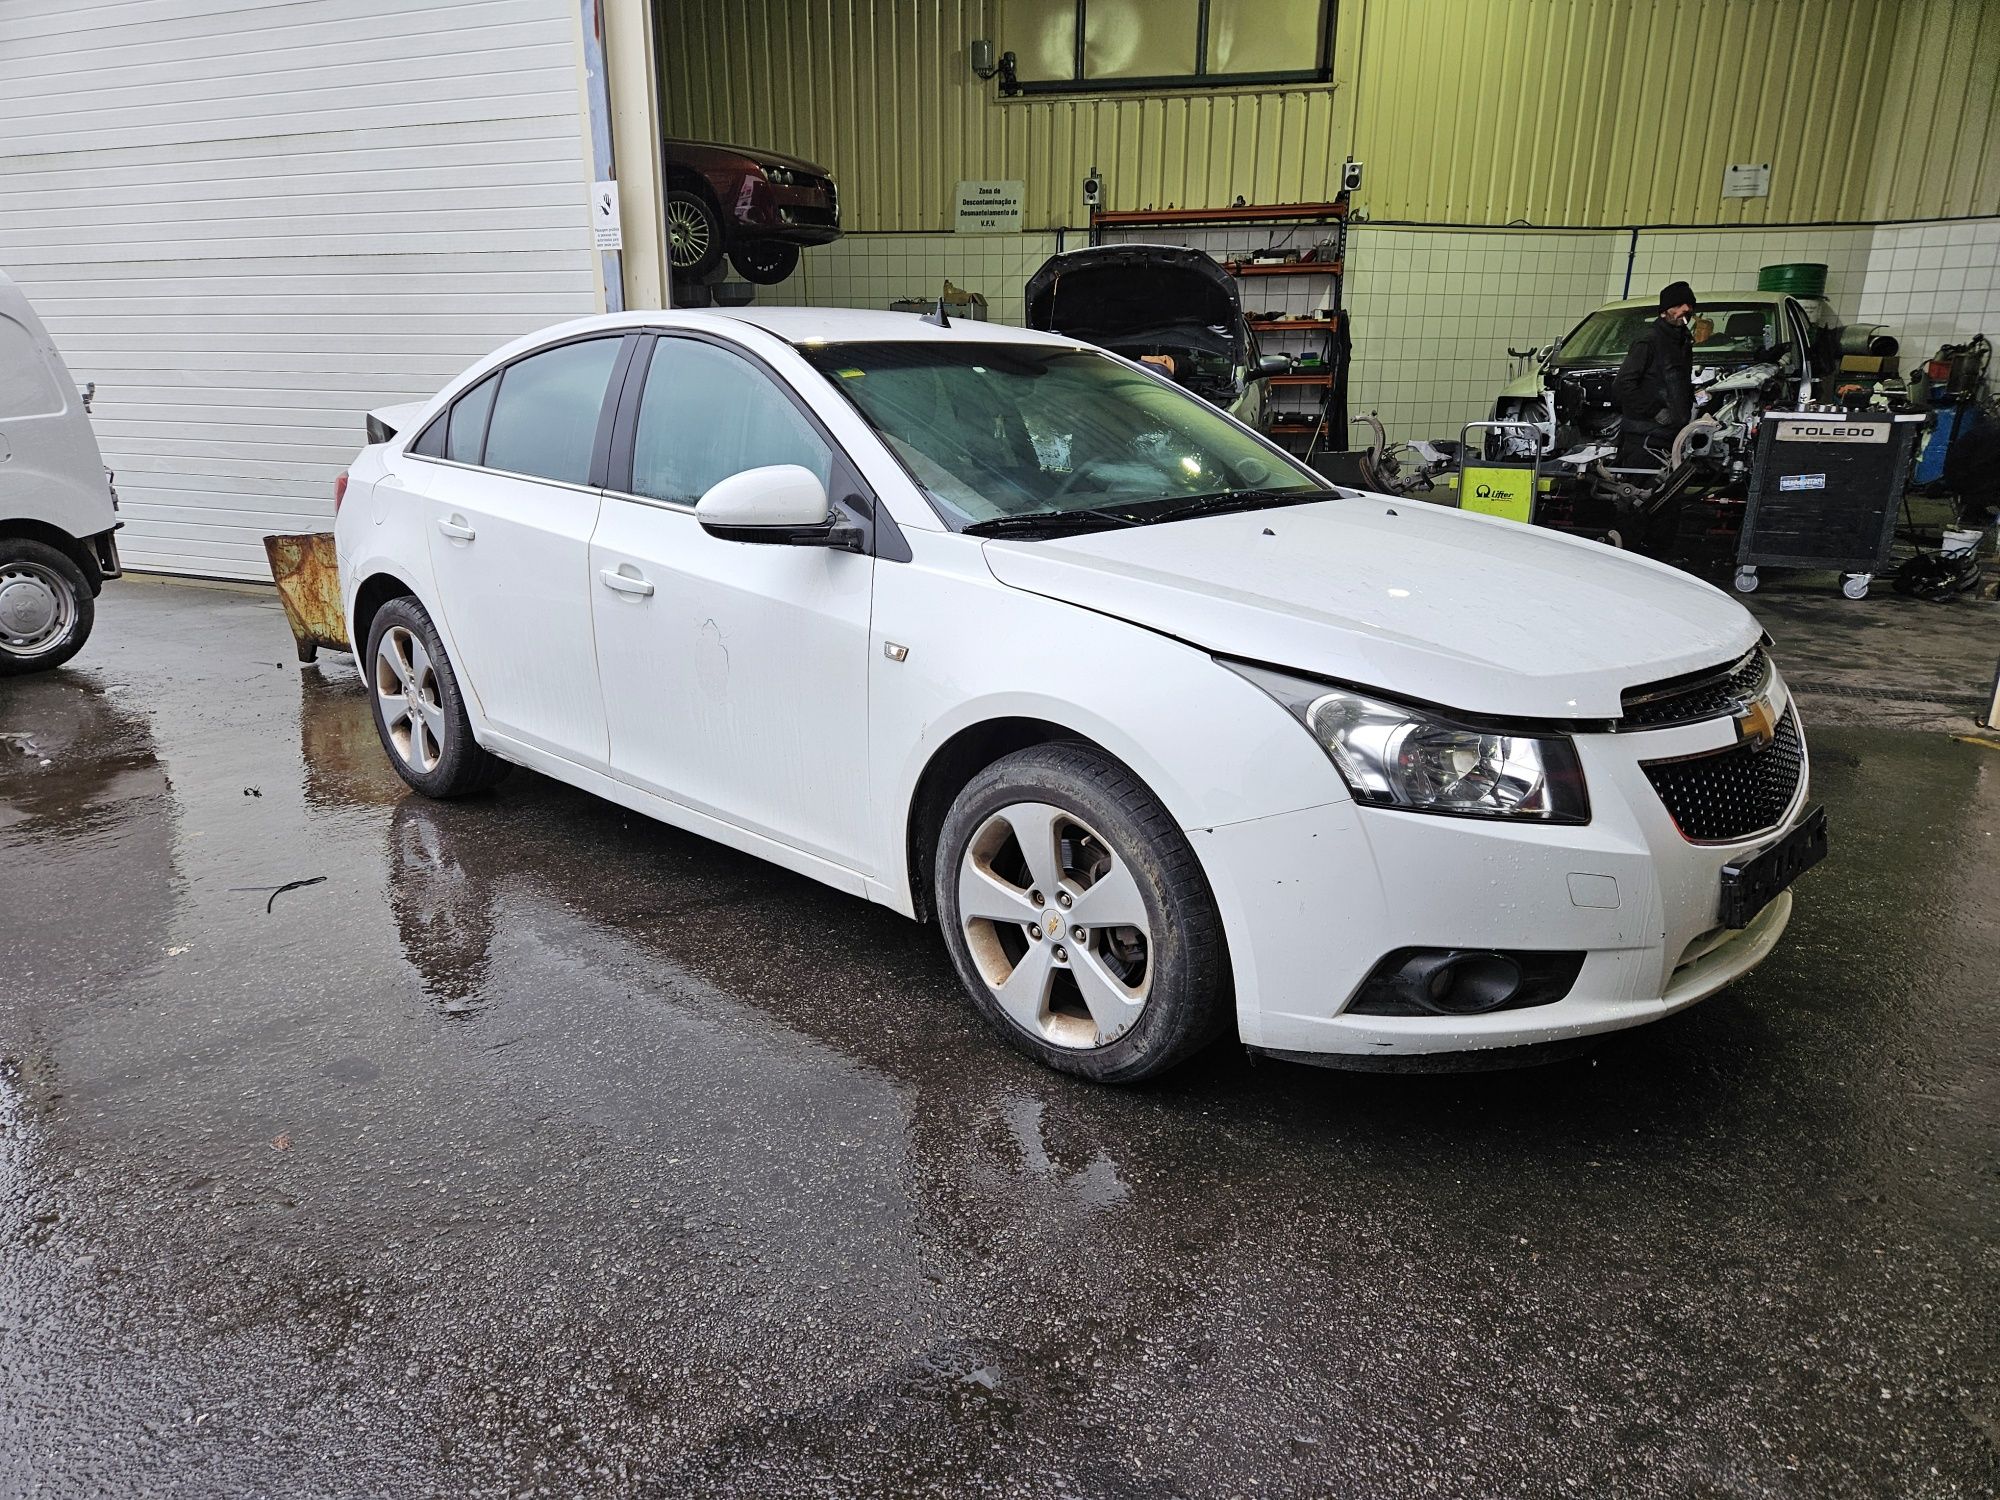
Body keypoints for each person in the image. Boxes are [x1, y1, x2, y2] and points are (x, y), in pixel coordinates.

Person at [1612, 280, 1697, 469]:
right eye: (1677, 306)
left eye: (1689, 305)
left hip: (1671, 436)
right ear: (1663, 312)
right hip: (1645, 437)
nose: (1685, 310)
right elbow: (1623, 384)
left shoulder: (1682, 341)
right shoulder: (1649, 342)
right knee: (1639, 490)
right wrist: (1655, 411)